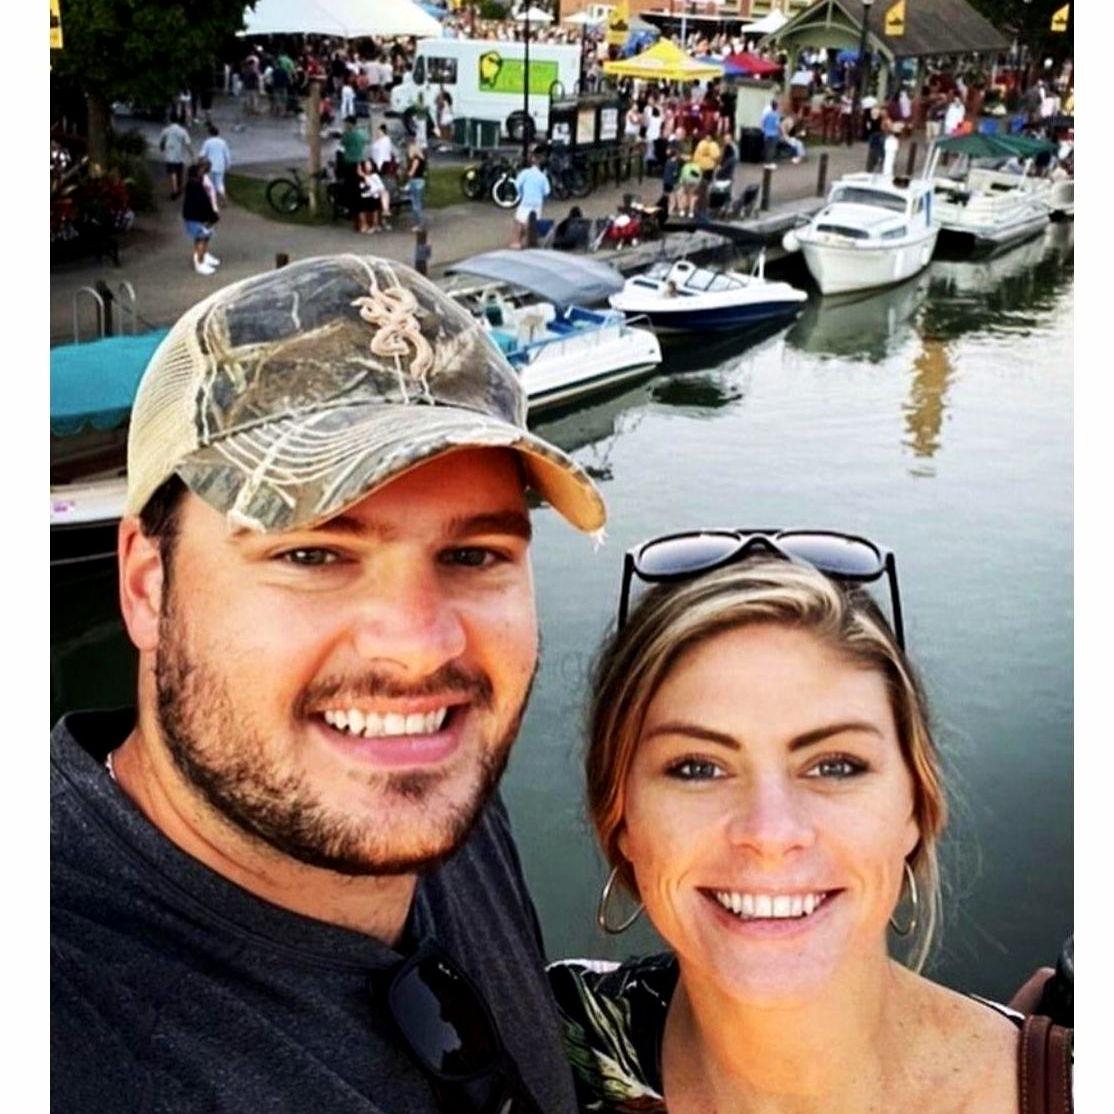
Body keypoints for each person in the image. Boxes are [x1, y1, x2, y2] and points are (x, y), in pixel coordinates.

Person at [51, 254, 606, 1112]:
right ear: (146, 585)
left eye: (473, 555)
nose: (419, 652)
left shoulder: (439, 800)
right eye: (312, 554)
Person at [549, 534, 1073, 1112]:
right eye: (697, 767)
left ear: (915, 810)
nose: (770, 834)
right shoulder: (535, 1045)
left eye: (835, 765)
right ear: (620, 816)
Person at [181, 161, 219, 275]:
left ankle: (203, 256)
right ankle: (200, 262)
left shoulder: (192, 185)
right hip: (198, 218)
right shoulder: (197, 188)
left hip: (197, 217)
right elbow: (204, 204)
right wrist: (212, 216)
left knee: (204, 237)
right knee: (201, 238)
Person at [511, 148, 551, 249]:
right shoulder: (543, 177)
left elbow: (517, 184)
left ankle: (517, 242)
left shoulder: (525, 173)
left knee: (519, 221)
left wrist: (520, 193)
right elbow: (547, 191)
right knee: (533, 223)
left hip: (526, 201)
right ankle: (530, 242)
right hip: (537, 203)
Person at [339, 115, 367, 232]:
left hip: (350, 163)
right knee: (358, 187)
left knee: (350, 188)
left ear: (350, 124)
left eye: (346, 123)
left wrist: (344, 133)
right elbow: (365, 141)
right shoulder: (362, 133)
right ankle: (357, 211)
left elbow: (342, 143)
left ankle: (351, 210)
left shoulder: (348, 134)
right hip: (360, 162)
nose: (345, 125)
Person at [158, 113, 192, 200]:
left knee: (172, 173)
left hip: (169, 155)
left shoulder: (166, 130)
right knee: (179, 173)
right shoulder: (182, 131)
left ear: (170, 120)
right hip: (179, 156)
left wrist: (161, 148)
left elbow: (162, 141)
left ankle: (174, 190)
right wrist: (191, 153)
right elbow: (188, 143)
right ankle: (179, 188)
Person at [199, 124, 231, 201]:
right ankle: (222, 195)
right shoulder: (223, 142)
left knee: (209, 182)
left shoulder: (207, 142)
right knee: (219, 183)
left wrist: (199, 162)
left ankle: (210, 198)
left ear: (209, 133)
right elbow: (227, 155)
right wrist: (228, 165)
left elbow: (202, 154)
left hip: (209, 166)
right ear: (218, 133)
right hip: (220, 165)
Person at [355, 158, 385, 233]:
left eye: (370, 164)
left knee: (374, 203)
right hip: (364, 197)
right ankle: (364, 224)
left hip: (374, 196)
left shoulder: (374, 176)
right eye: (367, 165)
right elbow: (361, 190)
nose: (368, 166)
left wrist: (365, 176)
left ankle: (375, 225)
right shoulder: (359, 178)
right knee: (360, 203)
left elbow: (376, 188)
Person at [404, 139, 427, 228]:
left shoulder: (416, 160)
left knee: (416, 204)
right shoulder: (422, 159)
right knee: (418, 203)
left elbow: (412, 173)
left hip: (415, 181)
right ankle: (419, 223)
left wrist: (407, 173)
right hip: (421, 181)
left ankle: (419, 224)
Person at [760, 97, 781, 169]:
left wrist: (764, 130)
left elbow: (763, 122)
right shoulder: (776, 115)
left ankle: (766, 162)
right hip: (774, 134)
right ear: (776, 106)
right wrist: (780, 131)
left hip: (766, 134)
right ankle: (769, 163)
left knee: (767, 149)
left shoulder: (767, 114)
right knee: (772, 149)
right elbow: (777, 125)